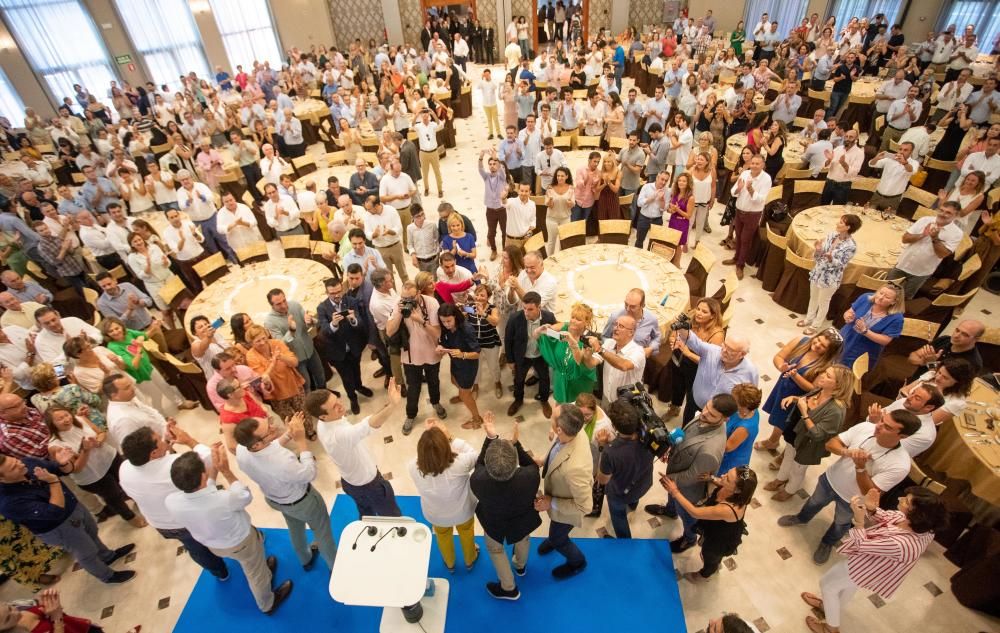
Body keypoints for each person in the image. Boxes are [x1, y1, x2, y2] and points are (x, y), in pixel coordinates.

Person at [778, 408, 920, 564]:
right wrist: (846, 452)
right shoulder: (866, 428)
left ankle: (827, 543)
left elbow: (870, 493)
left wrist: (860, 468)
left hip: (853, 501)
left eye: (887, 427)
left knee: (841, 524)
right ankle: (801, 518)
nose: (878, 426)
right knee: (814, 502)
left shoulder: (900, 464)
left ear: (903, 436)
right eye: (882, 420)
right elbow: (830, 444)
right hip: (830, 480)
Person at [165, 445, 294, 614]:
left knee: (256, 565)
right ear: (202, 475)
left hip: (214, 545)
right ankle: (267, 604)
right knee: (255, 574)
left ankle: (265, 571)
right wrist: (226, 471)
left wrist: (214, 469)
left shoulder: (171, 501)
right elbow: (244, 496)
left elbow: (204, 489)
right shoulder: (224, 499)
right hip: (240, 543)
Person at [800, 487, 948, 633]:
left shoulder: (903, 544)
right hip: (871, 568)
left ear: (918, 514)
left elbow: (862, 544)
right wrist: (871, 509)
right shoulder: (922, 527)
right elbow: (889, 518)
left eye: (906, 502)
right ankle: (828, 607)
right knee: (847, 586)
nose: (900, 499)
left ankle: (830, 628)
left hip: (864, 566)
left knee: (827, 585)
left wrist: (859, 520)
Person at [0, 453, 136, 584]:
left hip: (74, 507)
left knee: (92, 533)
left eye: (15, 460)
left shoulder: (27, 463)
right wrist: (53, 482)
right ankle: (107, 576)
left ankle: (107, 556)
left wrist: (64, 463)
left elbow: (60, 470)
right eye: (13, 468)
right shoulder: (9, 503)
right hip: (58, 527)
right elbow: (54, 512)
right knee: (86, 552)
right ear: (2, 479)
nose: (20, 464)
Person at [118, 424, 230, 580]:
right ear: (154, 453)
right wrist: (189, 441)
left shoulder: (124, 468)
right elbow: (209, 459)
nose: (164, 439)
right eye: (159, 439)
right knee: (219, 536)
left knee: (195, 549)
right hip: (188, 520)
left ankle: (220, 573)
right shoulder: (174, 465)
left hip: (161, 524)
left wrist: (166, 449)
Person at [234, 412, 337, 571]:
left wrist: (289, 433)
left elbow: (269, 449)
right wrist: (301, 441)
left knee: (295, 528)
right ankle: (335, 568)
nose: (274, 427)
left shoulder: (241, 449)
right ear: (256, 445)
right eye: (269, 429)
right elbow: (309, 474)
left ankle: (305, 559)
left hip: (276, 500)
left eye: (269, 422)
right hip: (303, 502)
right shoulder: (282, 461)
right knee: (323, 534)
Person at [645, 393, 739, 552]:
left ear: (725, 419)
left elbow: (691, 477)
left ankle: (689, 539)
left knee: (688, 517)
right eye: (707, 407)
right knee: (672, 499)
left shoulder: (711, 450)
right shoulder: (705, 416)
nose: (704, 413)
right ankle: (670, 510)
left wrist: (669, 479)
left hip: (687, 490)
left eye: (712, 414)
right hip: (677, 471)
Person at [306, 381, 403, 517]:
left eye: (337, 399)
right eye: (334, 407)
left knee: (366, 514)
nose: (340, 405)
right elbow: (368, 426)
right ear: (323, 416)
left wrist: (387, 404)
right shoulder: (338, 435)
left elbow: (366, 424)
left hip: (349, 482)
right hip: (370, 484)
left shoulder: (324, 423)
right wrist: (393, 405)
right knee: (392, 517)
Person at [471, 412, 539, 600]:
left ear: (488, 466)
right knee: (523, 541)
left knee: (496, 550)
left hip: (494, 524)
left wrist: (490, 437)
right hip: (522, 520)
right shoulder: (530, 476)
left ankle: (508, 588)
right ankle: (520, 566)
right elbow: (531, 464)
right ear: (514, 462)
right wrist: (516, 443)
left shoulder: (478, 479)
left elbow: (478, 464)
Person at [43, 406, 143, 527]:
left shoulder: (80, 419)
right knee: (113, 497)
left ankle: (141, 502)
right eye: (60, 419)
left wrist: (98, 442)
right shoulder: (55, 445)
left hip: (109, 457)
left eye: (66, 415)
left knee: (128, 482)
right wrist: (85, 450)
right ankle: (130, 517)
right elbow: (75, 469)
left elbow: (100, 433)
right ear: (51, 424)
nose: (66, 419)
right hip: (93, 475)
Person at [766, 365, 853, 502]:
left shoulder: (836, 410)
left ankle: (790, 490)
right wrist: (794, 398)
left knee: (798, 468)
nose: (822, 375)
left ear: (838, 386)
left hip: (808, 444)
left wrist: (805, 413)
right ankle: (780, 479)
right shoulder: (820, 389)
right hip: (796, 434)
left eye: (828, 376)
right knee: (788, 455)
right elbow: (805, 400)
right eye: (825, 371)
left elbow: (818, 434)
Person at [662, 465, 756, 582]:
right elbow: (720, 481)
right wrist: (711, 478)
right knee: (709, 553)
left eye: (727, 478)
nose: (723, 476)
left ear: (737, 490)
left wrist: (675, 492)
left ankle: (705, 574)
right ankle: (714, 562)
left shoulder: (728, 509)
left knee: (709, 555)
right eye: (727, 472)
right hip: (716, 527)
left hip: (720, 539)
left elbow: (694, 512)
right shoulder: (735, 491)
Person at [408, 418, 479, 572]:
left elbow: (428, 453)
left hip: (436, 516)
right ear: (447, 447)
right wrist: (448, 437)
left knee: (443, 537)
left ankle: (450, 564)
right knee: (467, 533)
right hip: (463, 512)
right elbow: (476, 454)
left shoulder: (412, 467)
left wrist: (430, 436)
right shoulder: (461, 463)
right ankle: (470, 559)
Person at [756, 330, 845, 452]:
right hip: (783, 387)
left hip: (800, 397)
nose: (818, 344)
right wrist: (781, 366)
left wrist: (795, 376)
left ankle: (784, 454)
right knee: (778, 418)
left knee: (791, 427)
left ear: (829, 352)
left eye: (823, 346)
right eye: (818, 339)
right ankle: (774, 440)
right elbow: (779, 356)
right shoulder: (800, 341)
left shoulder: (826, 366)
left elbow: (814, 389)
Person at [535, 403, 592, 579]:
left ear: (559, 429)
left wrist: (550, 502)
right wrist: (543, 461)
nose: (550, 416)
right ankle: (554, 540)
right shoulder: (574, 428)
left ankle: (577, 562)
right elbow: (557, 449)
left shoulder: (575, 469)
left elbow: (585, 507)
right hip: (560, 490)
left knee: (559, 537)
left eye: (552, 417)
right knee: (555, 533)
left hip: (565, 509)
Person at [100, 317, 194, 414]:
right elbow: (133, 365)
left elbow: (144, 336)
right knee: (155, 394)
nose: (115, 332)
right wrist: (139, 348)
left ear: (121, 326)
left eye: (117, 328)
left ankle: (179, 403)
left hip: (148, 366)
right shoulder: (113, 346)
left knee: (164, 385)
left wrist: (154, 327)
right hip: (138, 375)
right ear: (107, 334)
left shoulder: (127, 332)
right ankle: (158, 414)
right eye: (111, 331)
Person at [596, 399, 653, 539]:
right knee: (633, 500)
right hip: (643, 484)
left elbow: (602, 480)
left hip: (620, 494)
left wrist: (603, 446)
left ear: (614, 426)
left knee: (618, 517)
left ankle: (624, 541)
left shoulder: (610, 452)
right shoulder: (650, 436)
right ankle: (632, 507)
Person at [316, 277, 372, 415]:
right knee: (346, 377)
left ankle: (359, 386)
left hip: (353, 347)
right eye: (332, 293)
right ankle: (352, 398)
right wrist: (333, 324)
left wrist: (353, 319)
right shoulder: (322, 308)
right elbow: (323, 330)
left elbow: (360, 322)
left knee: (356, 369)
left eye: (339, 291)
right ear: (326, 293)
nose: (336, 295)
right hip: (337, 352)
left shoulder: (351, 301)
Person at [886, 202, 963, 299]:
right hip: (902, 264)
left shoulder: (957, 233)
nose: (943, 214)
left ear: (956, 216)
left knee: (905, 298)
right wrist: (923, 235)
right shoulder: (925, 220)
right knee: (886, 291)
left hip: (921, 272)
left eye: (948, 213)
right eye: (941, 210)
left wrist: (934, 238)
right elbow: (905, 239)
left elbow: (942, 254)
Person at [800, 214, 862, 334]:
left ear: (848, 227)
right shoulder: (832, 235)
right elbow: (819, 256)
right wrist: (818, 249)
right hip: (818, 272)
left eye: (841, 223)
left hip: (831, 278)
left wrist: (831, 258)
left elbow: (842, 265)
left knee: (823, 302)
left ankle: (815, 326)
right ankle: (808, 319)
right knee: (813, 297)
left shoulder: (851, 246)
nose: (837, 224)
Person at [536, 302, 600, 405]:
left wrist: (572, 342)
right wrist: (541, 330)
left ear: (586, 323)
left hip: (579, 382)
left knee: (578, 410)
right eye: (572, 317)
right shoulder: (565, 328)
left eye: (578, 319)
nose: (573, 321)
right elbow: (544, 333)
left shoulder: (588, 339)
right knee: (559, 407)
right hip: (561, 378)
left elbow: (580, 361)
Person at [263, 289, 326, 393]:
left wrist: (310, 320)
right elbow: (280, 344)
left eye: (284, 300)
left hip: (310, 349)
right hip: (296, 359)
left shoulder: (295, 305)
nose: (283, 305)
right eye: (278, 304)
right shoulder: (269, 322)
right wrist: (291, 330)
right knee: (306, 385)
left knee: (321, 375)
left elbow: (311, 323)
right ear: (272, 305)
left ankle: (325, 395)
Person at [725, 154, 771, 280]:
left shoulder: (766, 179)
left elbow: (761, 199)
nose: (754, 166)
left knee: (746, 239)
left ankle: (740, 265)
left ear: (763, 165)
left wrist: (750, 189)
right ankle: (736, 258)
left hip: (753, 214)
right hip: (740, 211)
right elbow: (733, 192)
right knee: (738, 236)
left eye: (757, 164)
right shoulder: (745, 174)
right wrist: (738, 189)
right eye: (753, 163)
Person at [436, 303, 482, 430]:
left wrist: (463, 354)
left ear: (455, 317)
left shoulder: (466, 329)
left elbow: (477, 354)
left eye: (449, 321)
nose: (446, 324)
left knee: (465, 394)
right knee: (453, 380)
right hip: (455, 362)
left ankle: (477, 419)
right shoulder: (445, 328)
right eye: (443, 321)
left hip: (467, 366)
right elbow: (444, 342)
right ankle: (463, 394)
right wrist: (441, 347)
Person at [839, 283, 905, 368]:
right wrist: (848, 316)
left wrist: (866, 332)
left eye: (887, 297)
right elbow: (849, 311)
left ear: (894, 302)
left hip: (862, 351)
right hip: (845, 338)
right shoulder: (865, 298)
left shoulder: (897, 318)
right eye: (881, 293)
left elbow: (885, 340)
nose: (881, 297)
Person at [593, 314, 645, 409]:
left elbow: (624, 365)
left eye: (621, 326)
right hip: (606, 397)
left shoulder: (638, 352)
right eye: (615, 324)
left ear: (631, 332)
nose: (615, 328)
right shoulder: (609, 343)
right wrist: (580, 349)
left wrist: (600, 350)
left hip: (626, 404)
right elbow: (591, 363)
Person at [906, 319, 984, 378]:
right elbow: (912, 356)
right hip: (914, 382)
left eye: (965, 334)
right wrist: (923, 361)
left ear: (976, 339)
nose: (956, 335)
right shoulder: (945, 339)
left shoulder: (972, 362)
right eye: (957, 330)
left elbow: (939, 382)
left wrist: (931, 363)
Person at [718, 383, 762, 475]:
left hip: (731, 460)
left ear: (744, 405)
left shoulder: (744, 427)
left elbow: (727, 447)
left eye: (734, 400)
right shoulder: (750, 409)